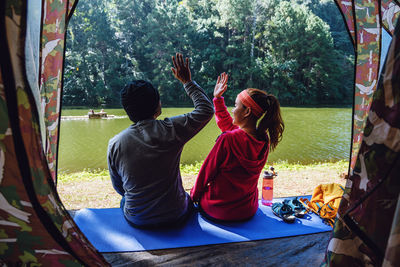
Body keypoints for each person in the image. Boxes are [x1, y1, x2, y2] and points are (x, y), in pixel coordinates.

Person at [108, 53, 214, 228]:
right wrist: (187, 82)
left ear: (127, 110)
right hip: (176, 215)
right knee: (186, 198)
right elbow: (206, 109)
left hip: (139, 219)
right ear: (158, 105)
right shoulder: (172, 129)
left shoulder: (115, 143)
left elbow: (120, 187)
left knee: (125, 200)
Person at [190, 72, 284, 222]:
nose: (232, 110)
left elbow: (205, 172)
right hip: (247, 210)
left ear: (247, 112)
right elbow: (231, 128)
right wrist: (218, 100)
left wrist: (193, 197)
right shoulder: (263, 139)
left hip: (218, 210)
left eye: (235, 106)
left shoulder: (228, 139)